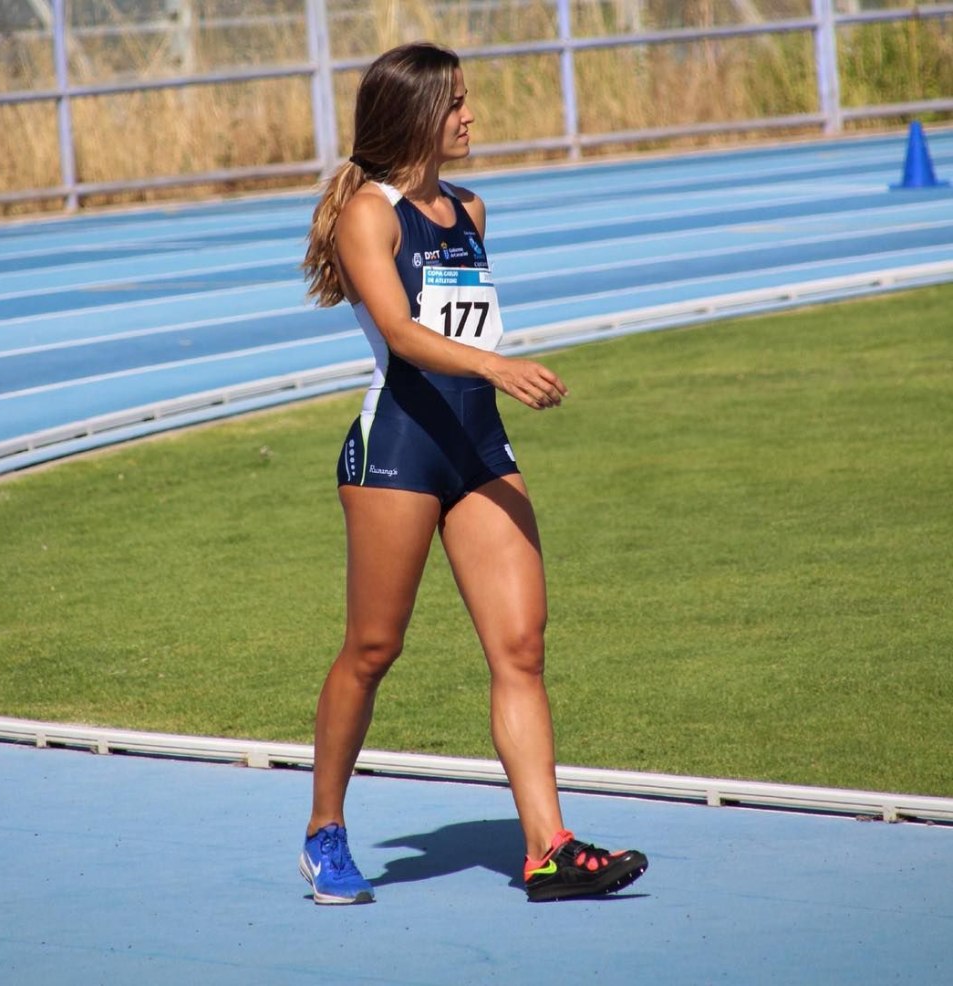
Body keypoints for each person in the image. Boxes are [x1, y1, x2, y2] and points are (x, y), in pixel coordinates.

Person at [298, 41, 648, 904]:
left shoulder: (471, 209)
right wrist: (498, 369)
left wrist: (489, 381)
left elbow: (461, 327)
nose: (470, 116)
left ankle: (547, 848)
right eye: (455, 102)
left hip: (479, 449)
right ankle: (323, 830)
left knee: (521, 648)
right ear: (415, 113)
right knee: (374, 648)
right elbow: (405, 333)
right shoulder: (368, 215)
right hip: (398, 452)